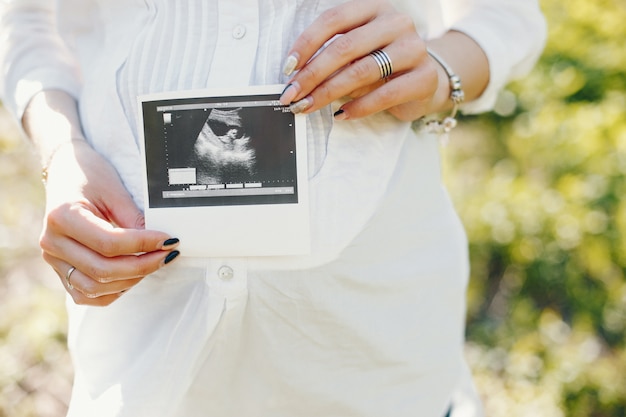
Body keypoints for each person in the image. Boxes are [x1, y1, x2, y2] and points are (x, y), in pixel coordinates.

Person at [0, 1, 546, 416]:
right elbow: (26, 24)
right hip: (143, 344)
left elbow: (506, 16)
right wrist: (62, 149)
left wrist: (438, 69)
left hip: (373, 344)